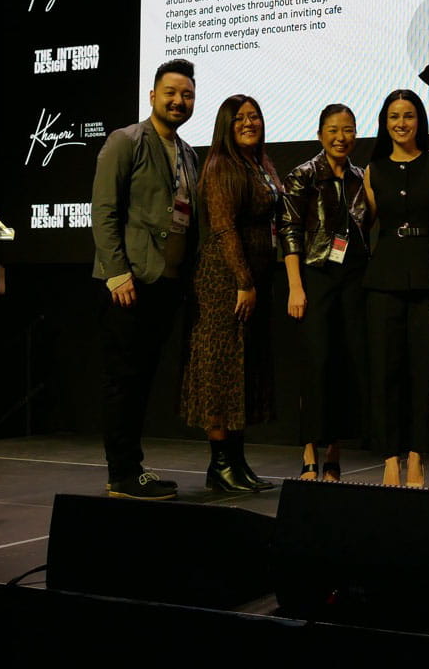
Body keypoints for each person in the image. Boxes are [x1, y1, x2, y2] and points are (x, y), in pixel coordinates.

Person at [92, 59, 198, 500]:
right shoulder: (126, 141)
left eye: (187, 94)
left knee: (142, 378)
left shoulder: (189, 153)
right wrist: (117, 273)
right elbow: (103, 210)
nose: (179, 100)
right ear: (152, 95)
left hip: (166, 284)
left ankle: (130, 467)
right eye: (171, 92)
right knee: (124, 378)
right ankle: (121, 473)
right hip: (130, 282)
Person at [180, 94, 281, 492]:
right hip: (224, 283)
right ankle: (220, 465)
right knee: (220, 373)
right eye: (239, 118)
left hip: (251, 281)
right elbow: (223, 228)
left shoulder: (260, 163)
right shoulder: (222, 166)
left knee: (240, 372)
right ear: (226, 125)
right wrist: (243, 281)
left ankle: (236, 464)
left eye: (254, 116)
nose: (249, 123)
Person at [280, 104, 369, 481]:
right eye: (333, 130)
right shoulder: (302, 175)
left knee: (343, 366)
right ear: (320, 134)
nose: (341, 137)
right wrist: (295, 287)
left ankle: (333, 455)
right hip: (314, 278)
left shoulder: (361, 177)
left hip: (352, 278)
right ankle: (309, 455)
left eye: (348, 129)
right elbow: (289, 230)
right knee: (315, 367)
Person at [363, 90, 429, 487]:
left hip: (428, 280)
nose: (401, 123)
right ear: (385, 122)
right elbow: (364, 225)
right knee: (386, 372)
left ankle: (417, 457)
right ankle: (390, 457)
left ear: (419, 121)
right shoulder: (373, 169)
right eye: (394, 116)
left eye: (408, 115)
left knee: (424, 371)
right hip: (384, 280)